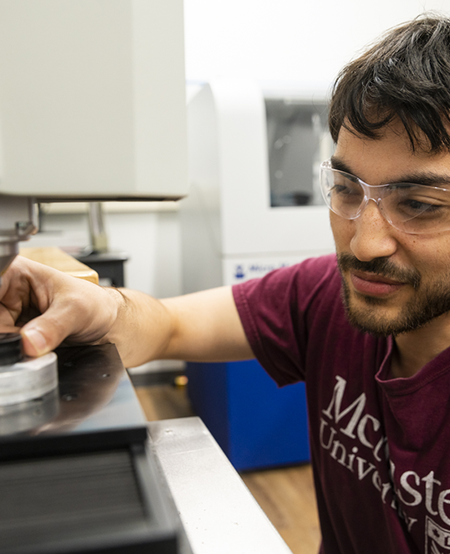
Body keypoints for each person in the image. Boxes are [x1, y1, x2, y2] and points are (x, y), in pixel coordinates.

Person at [2, 13, 450, 554]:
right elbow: (165, 328)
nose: (363, 245)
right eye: (347, 189)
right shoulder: (323, 294)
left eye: (420, 205)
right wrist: (101, 308)